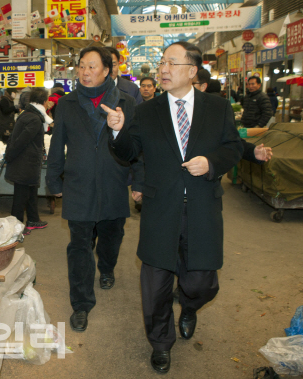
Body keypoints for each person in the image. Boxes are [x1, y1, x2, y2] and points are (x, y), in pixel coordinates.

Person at [102, 41, 243, 374]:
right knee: (155, 287)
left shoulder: (217, 107)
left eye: (171, 63)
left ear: (192, 70)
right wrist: (119, 130)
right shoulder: (146, 110)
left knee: (201, 283)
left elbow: (234, 147)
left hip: (202, 209)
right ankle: (160, 343)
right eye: (161, 62)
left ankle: (190, 307)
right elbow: (128, 152)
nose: (163, 69)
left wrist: (210, 163)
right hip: (159, 210)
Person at [46, 46, 139, 333]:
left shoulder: (125, 101)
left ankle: (107, 267)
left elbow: (137, 146)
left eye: (92, 67)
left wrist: (138, 181)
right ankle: (82, 304)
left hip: (113, 179)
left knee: (113, 234)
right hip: (79, 182)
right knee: (79, 246)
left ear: (108, 70)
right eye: (81, 66)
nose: (85, 72)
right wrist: (53, 180)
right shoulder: (68, 103)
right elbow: (57, 143)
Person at [5, 88, 51, 235]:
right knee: (20, 197)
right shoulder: (34, 119)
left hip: (26, 161)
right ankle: (16, 228)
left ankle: (33, 219)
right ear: (44, 101)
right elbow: (20, 141)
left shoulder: (29, 114)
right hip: (24, 162)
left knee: (31, 191)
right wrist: (10, 156)